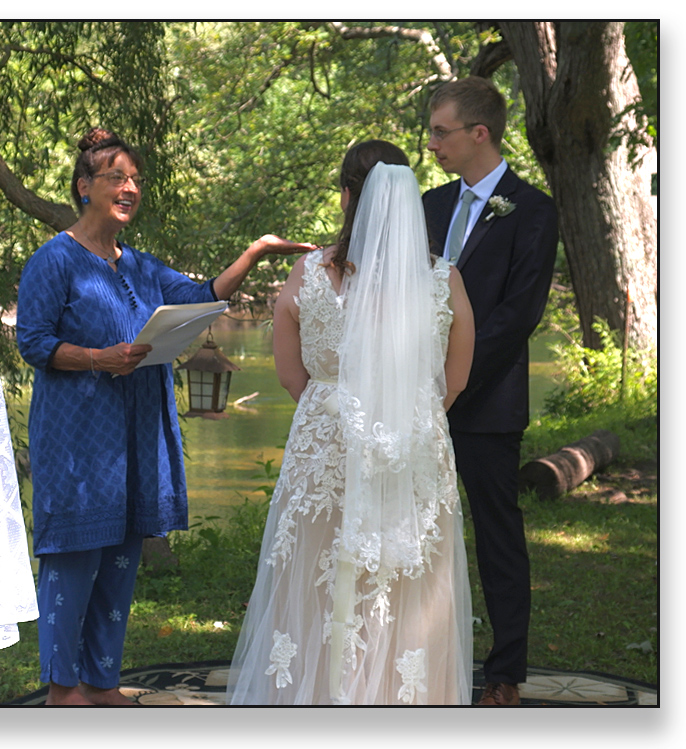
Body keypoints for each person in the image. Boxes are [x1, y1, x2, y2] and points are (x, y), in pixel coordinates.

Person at [16, 127, 316, 706]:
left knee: (122, 554)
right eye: (116, 178)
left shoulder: (142, 266)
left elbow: (205, 294)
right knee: (75, 557)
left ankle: (102, 684)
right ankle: (62, 689)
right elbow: (33, 342)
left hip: (137, 433)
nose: (130, 188)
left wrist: (253, 253)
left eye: (135, 180)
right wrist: (99, 357)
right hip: (79, 435)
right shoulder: (54, 260)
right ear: (84, 187)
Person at [227, 140, 475, 705]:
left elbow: (291, 374)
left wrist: (336, 410)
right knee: (408, 585)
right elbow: (455, 379)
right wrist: (407, 416)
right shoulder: (444, 281)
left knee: (320, 578)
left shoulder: (308, 273)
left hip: (328, 443)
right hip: (413, 445)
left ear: (347, 196)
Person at [422, 77, 559, 706]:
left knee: (497, 533)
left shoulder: (532, 210)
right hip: (414, 397)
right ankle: (413, 657)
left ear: (480, 133)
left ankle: (505, 672)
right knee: (410, 526)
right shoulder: (426, 205)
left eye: (441, 132)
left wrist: (453, 379)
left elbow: (518, 313)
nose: (431, 144)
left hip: (485, 401)